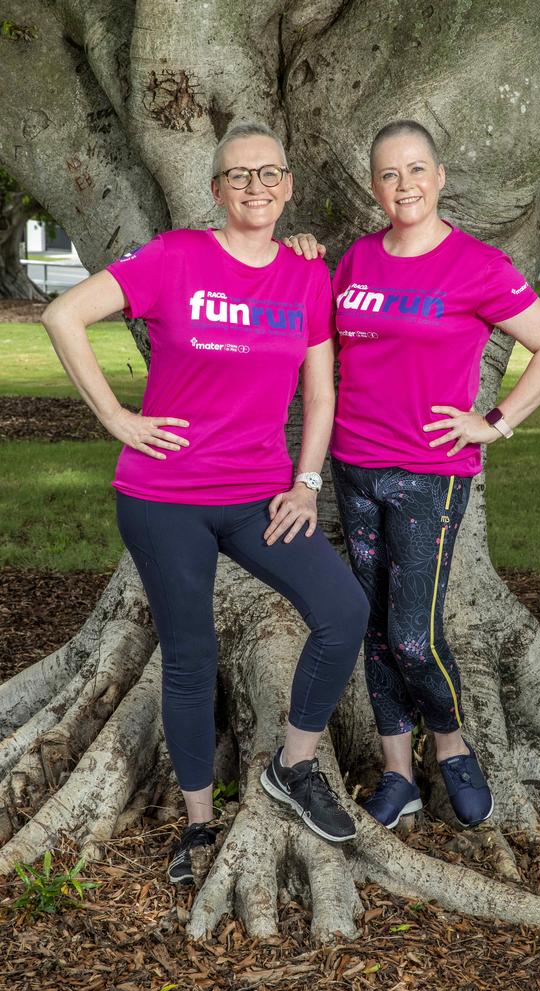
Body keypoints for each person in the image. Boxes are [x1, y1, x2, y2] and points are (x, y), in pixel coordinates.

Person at [41, 122, 370, 885]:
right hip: (164, 498)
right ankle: (197, 826)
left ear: (288, 186)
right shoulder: (174, 258)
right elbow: (64, 316)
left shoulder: (306, 276)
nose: (255, 187)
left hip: (261, 496)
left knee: (344, 610)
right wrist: (117, 420)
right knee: (190, 657)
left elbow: (321, 394)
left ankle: (294, 766)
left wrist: (308, 481)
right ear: (216, 190)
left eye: (268, 174)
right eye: (238, 176)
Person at [285, 119, 540, 831]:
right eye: (389, 174)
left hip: (428, 474)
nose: (404, 185)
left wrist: (495, 421)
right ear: (375, 186)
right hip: (354, 467)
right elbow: (313, 327)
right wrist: (295, 255)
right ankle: (398, 775)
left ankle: (452, 744)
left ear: (440, 177)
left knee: (413, 634)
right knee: (372, 627)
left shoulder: (476, 265)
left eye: (417, 170)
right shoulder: (354, 262)